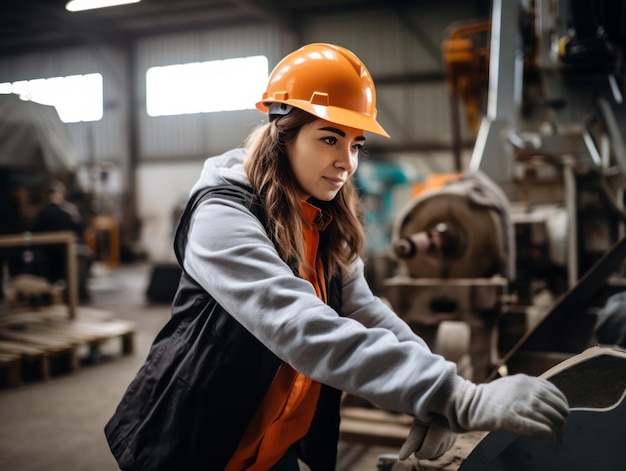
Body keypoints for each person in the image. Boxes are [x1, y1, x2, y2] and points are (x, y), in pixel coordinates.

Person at [105, 43, 569, 471]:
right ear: (281, 134)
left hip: (272, 447)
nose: (347, 162)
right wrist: (458, 397)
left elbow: (365, 313)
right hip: (193, 443)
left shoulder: (323, 222)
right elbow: (298, 324)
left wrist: (431, 392)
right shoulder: (222, 216)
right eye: (330, 138)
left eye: (355, 145)